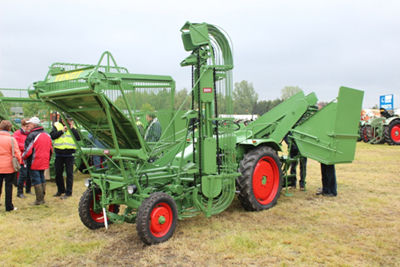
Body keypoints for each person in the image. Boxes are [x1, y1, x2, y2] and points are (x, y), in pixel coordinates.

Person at [23, 117, 53, 205]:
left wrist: (23, 157)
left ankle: (39, 200)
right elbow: (51, 149)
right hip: (44, 160)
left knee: (36, 179)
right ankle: (42, 197)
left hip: (34, 161)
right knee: (42, 178)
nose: (28, 125)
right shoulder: (47, 134)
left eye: (29, 124)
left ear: (34, 125)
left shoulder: (32, 135)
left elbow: (28, 150)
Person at [50, 115, 80, 198]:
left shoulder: (73, 127)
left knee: (69, 173)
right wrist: (62, 131)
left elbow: (78, 138)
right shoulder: (56, 125)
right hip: (59, 153)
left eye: (68, 120)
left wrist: (72, 128)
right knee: (58, 173)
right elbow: (52, 136)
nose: (66, 121)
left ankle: (68, 192)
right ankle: (60, 190)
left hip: (70, 154)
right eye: (65, 119)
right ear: (62, 119)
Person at [0, 120, 22, 211]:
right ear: (9, 128)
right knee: (8, 186)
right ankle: (9, 206)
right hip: (9, 167)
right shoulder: (12, 139)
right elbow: (17, 153)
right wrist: (19, 162)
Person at [13, 118, 32, 198]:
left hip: (29, 156)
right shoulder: (17, 134)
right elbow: (15, 144)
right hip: (21, 157)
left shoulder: (30, 134)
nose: (29, 128)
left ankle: (28, 189)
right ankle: (20, 192)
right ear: (24, 126)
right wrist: (26, 147)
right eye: (28, 126)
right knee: (22, 174)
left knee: (29, 174)